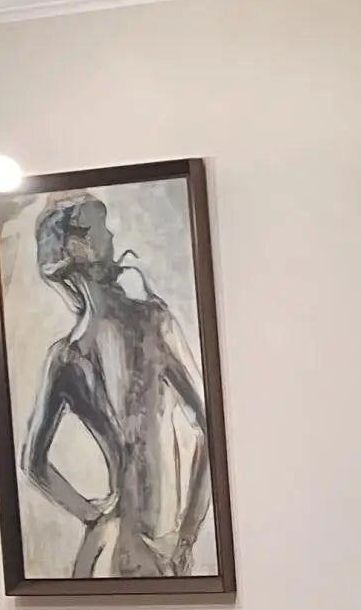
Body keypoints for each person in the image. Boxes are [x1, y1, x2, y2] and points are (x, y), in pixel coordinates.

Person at [19, 192, 215, 577]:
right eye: (99, 228)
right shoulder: (68, 358)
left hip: (156, 544)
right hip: (119, 547)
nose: (110, 236)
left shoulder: (152, 324)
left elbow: (212, 429)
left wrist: (186, 535)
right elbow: (33, 461)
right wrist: (92, 516)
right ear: (76, 247)